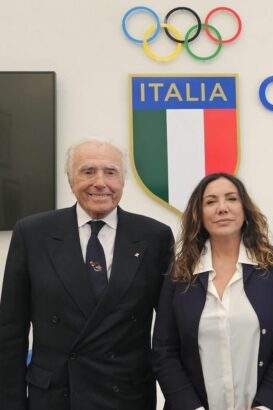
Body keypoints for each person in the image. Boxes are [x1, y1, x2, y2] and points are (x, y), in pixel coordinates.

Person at [0, 140, 174, 409]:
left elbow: (170, 331)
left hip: (127, 397)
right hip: (56, 397)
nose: (100, 182)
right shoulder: (32, 233)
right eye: (88, 171)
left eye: (111, 172)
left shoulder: (155, 236)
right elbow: (11, 331)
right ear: (71, 181)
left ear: (123, 181)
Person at [153, 173, 273, 410]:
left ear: (245, 209)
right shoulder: (179, 274)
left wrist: (266, 405)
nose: (222, 208)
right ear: (199, 214)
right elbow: (164, 350)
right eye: (210, 201)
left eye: (231, 199)